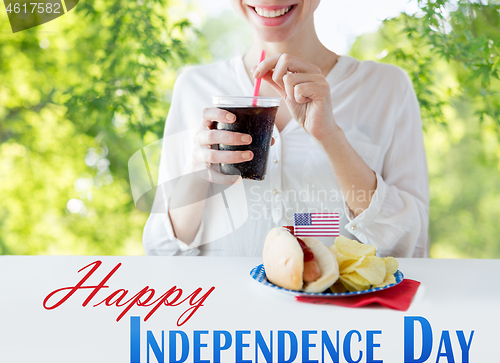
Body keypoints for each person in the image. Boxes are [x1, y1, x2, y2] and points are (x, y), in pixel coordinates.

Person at [142, 0, 429, 258]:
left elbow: (409, 246)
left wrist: (330, 137)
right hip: (225, 311)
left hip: (337, 313)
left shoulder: (387, 88)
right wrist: (196, 176)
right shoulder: (195, 88)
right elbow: (162, 252)